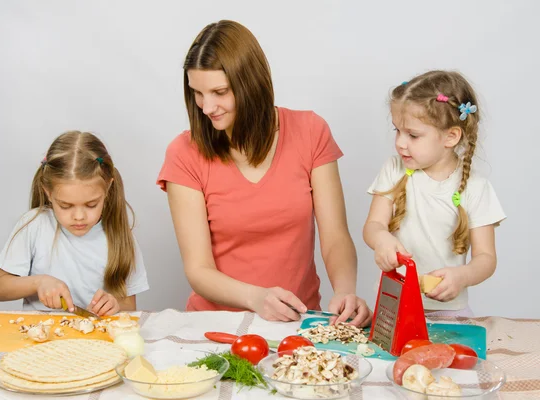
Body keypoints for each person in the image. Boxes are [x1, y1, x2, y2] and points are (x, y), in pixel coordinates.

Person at [157, 20, 371, 326]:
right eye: (197, 93)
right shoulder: (183, 153)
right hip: (215, 325)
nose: (206, 107)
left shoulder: (311, 132)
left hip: (298, 320)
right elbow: (198, 270)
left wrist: (346, 292)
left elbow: (335, 237)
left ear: (251, 83)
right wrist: (255, 298)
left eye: (219, 92)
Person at [363, 71, 505, 317]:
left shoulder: (475, 187)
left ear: (450, 136)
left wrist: (462, 276)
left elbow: (486, 258)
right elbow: (373, 225)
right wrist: (381, 240)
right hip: (392, 306)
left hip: (448, 312)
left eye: (413, 135)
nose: (400, 143)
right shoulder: (394, 169)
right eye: (397, 130)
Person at [0, 131, 149, 316]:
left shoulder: (120, 236)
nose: (79, 216)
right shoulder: (34, 225)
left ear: (108, 189)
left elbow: (129, 307)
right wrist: (38, 282)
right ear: (48, 193)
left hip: (95, 341)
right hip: (42, 337)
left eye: (91, 205)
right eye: (65, 205)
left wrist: (114, 305)